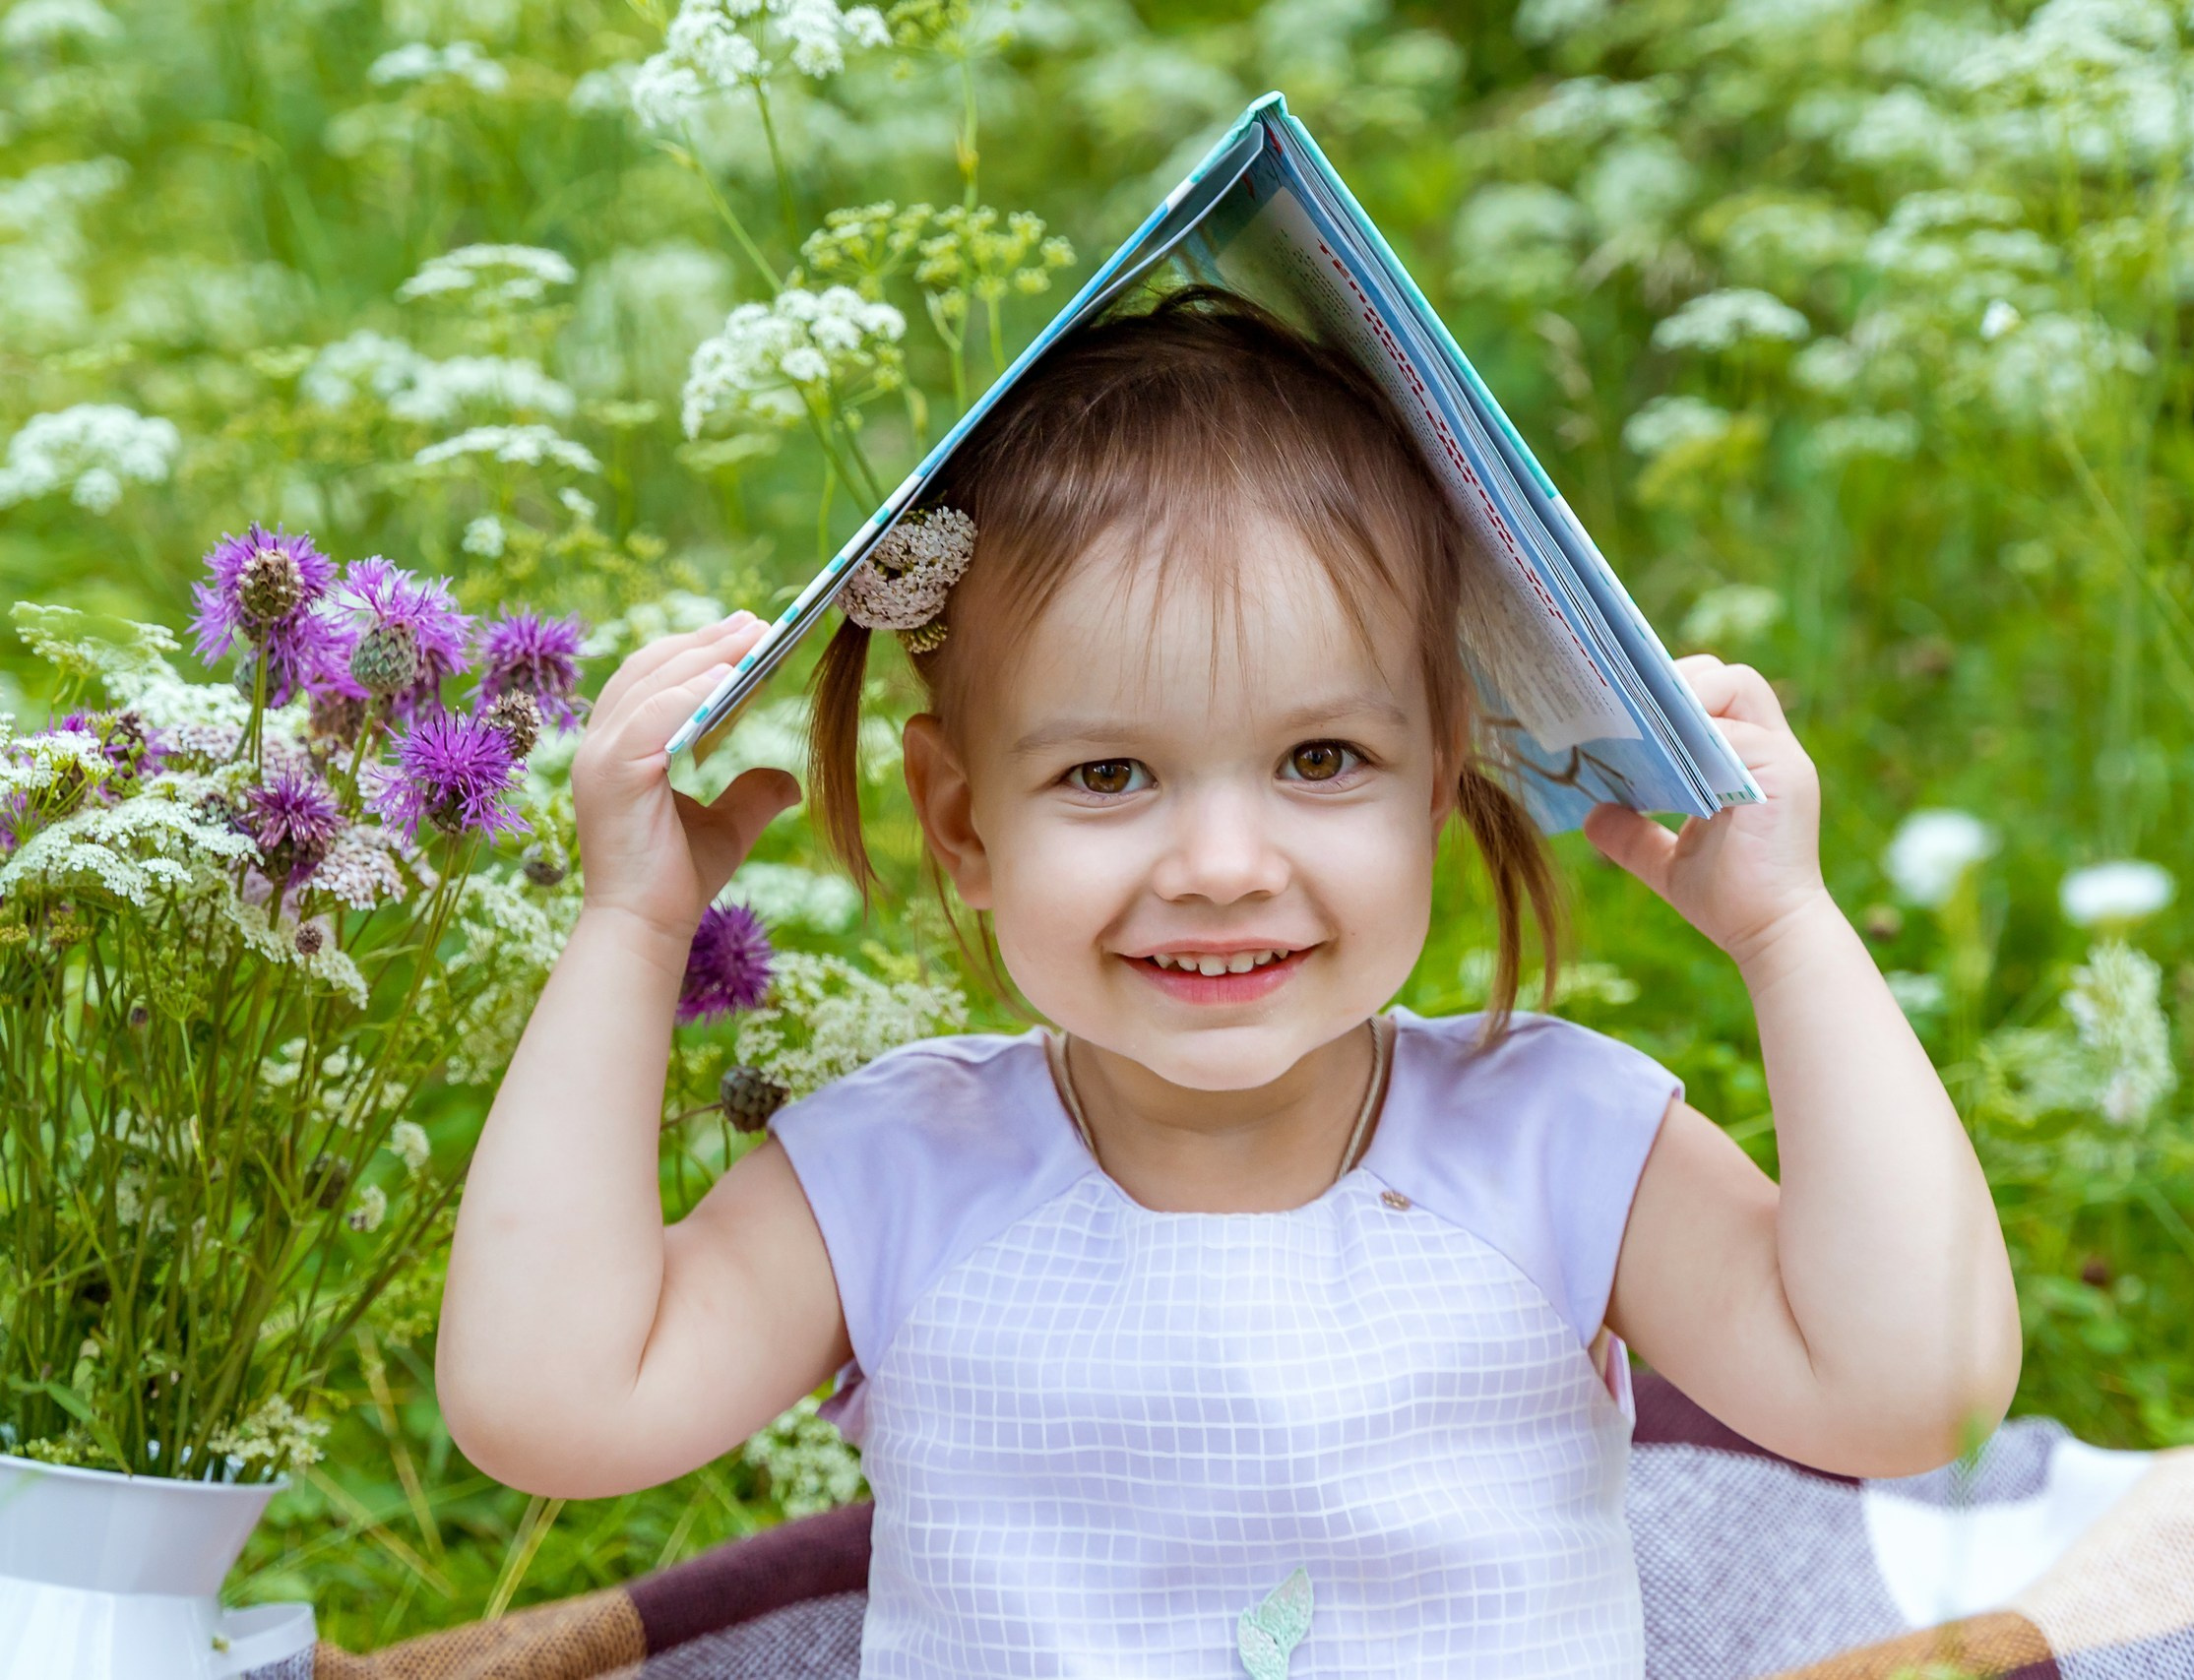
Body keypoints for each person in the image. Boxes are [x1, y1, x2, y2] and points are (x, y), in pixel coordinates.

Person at [438, 288, 2020, 1675]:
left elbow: (1908, 1394)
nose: (1219, 861)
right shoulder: (900, 1176)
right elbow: (552, 1406)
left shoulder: (1554, 1141)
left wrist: (1788, 933)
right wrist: (632, 933)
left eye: (1319, 759)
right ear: (962, 820)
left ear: (1437, 783)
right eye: (1111, 773)